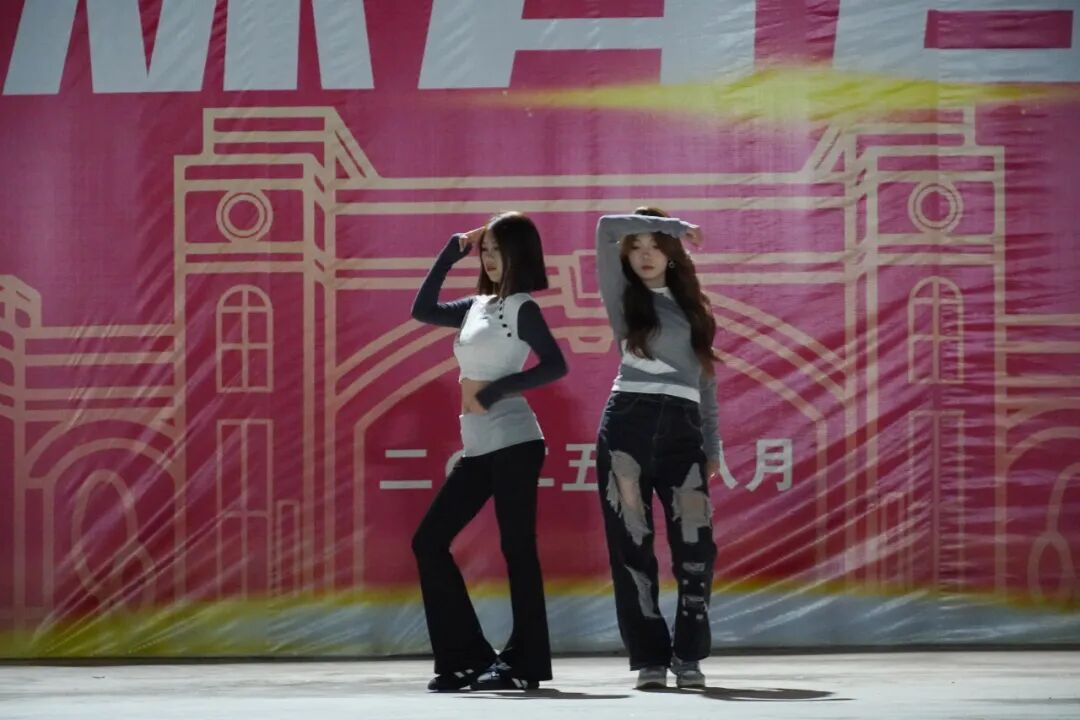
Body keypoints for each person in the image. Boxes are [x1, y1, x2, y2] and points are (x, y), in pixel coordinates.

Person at [409, 211, 567, 691]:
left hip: (515, 441)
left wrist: (499, 390)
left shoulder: (521, 307)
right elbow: (423, 309)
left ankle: (526, 664)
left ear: (521, 254)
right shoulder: (476, 305)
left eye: (500, 249)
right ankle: (464, 658)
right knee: (428, 542)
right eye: (487, 250)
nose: (491, 258)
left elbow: (555, 365)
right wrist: (451, 251)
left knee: (518, 549)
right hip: (478, 447)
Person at [593, 208, 721, 690]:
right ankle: (649, 657)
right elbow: (605, 228)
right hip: (628, 425)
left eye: (656, 246)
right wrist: (673, 226)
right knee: (632, 546)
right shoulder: (624, 296)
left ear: (672, 256)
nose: (645, 254)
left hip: (683, 433)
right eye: (637, 246)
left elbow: (706, 383)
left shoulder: (694, 310)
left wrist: (712, 444)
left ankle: (688, 655)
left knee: (695, 547)